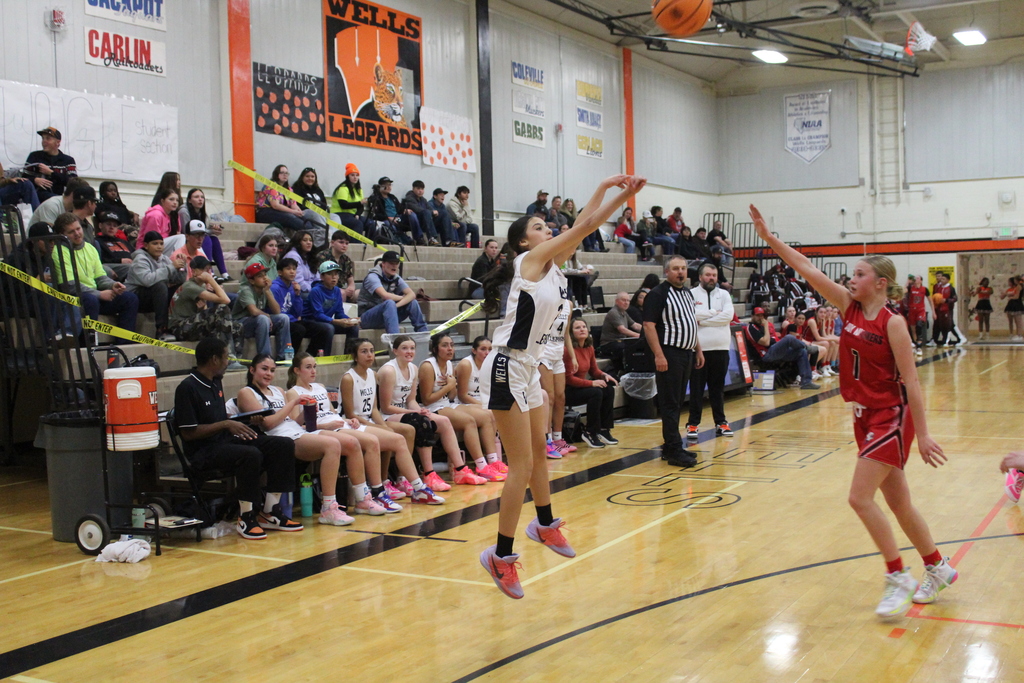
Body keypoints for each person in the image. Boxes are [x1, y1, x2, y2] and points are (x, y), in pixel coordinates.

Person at [750, 204, 956, 618]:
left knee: (859, 498)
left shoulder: (893, 323)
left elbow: (912, 382)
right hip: (862, 415)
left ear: (880, 283)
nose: (851, 279)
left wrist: (924, 433)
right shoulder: (848, 306)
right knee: (899, 503)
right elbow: (807, 268)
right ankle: (938, 567)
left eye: (859, 274)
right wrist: (770, 239)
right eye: (852, 274)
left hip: (890, 416)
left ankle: (897, 575)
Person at [477, 173, 645, 599]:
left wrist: (607, 190)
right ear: (523, 242)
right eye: (539, 226)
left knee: (539, 454)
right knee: (520, 465)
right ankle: (500, 556)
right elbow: (586, 224)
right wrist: (620, 194)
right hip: (506, 366)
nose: (547, 229)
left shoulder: (553, 268)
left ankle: (544, 524)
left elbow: (583, 226)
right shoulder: (529, 262)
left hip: (529, 368)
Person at [173, 338, 301, 539]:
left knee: (282, 444)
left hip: (224, 441)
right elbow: (189, 433)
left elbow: (219, 419)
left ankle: (269, 512)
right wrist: (225, 424)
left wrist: (244, 420)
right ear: (214, 359)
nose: (228, 362)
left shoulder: (216, 381)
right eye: (226, 357)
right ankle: (246, 517)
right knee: (250, 454)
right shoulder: (187, 388)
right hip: (202, 451)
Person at [236, 354, 371, 525]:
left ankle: (363, 498)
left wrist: (307, 410)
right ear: (252, 370)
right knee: (332, 445)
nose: (269, 374)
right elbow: (268, 423)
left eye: (272, 370)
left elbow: (292, 421)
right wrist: (293, 403)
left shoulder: (278, 391)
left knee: (350, 442)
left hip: (296, 430)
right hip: (278, 439)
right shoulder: (246, 392)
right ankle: (328, 507)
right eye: (264, 369)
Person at [289, 352, 430, 513]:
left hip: (340, 424)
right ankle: (377, 492)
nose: (313, 371)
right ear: (297, 370)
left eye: (314, 367)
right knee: (371, 441)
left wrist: (349, 420)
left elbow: (332, 413)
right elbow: (296, 426)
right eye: (308, 367)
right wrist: (326, 426)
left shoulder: (320, 387)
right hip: (325, 430)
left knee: (397, 439)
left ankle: (419, 488)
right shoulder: (293, 393)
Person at [378, 335, 476, 493]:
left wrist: (418, 409)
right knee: (421, 422)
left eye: (412, 348)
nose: (409, 351)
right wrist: (414, 412)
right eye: (404, 348)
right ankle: (428, 474)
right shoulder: (389, 371)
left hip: (405, 411)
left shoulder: (413, 368)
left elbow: (411, 400)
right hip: (387, 415)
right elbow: (386, 407)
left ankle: (460, 470)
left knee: (443, 421)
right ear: (395, 351)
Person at [643, 256, 704, 468]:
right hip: (669, 353)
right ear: (667, 272)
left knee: (677, 402)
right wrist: (659, 355)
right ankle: (674, 448)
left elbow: (690, 322)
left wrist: (698, 349)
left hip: (686, 353)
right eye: (676, 268)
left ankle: (670, 447)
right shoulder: (658, 294)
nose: (681, 272)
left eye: (683, 268)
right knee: (670, 403)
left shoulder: (687, 293)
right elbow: (648, 326)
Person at [420, 332, 506, 481]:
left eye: (452, 345)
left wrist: (452, 385)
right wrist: (449, 386)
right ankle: (481, 466)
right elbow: (427, 400)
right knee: (469, 421)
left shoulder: (449, 364)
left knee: (488, 415)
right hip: (432, 408)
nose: (450, 349)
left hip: (448, 403)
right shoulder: (428, 366)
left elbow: (452, 396)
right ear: (435, 349)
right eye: (445, 345)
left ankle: (493, 461)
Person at [52, 213, 139, 339]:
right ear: (62, 235)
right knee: (91, 300)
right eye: (71, 232)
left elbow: (100, 277)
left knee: (130, 299)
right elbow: (69, 286)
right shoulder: (58, 251)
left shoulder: (90, 248)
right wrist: (99, 294)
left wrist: (112, 285)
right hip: (75, 298)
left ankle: (124, 343)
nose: (77, 233)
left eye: (78, 229)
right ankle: (87, 343)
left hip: (93, 295)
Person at [686, 262, 735, 440]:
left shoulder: (724, 294)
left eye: (714, 275)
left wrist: (703, 319)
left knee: (717, 389)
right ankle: (693, 424)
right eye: (708, 275)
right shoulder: (690, 294)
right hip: (698, 350)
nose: (711, 278)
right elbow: (690, 316)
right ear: (700, 277)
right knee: (696, 390)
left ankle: (721, 422)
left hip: (721, 349)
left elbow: (728, 316)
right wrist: (715, 312)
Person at [169, 256, 244, 366]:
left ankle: (236, 360)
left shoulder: (201, 285)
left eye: (209, 270)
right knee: (222, 309)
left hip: (190, 324)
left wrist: (200, 309)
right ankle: (228, 359)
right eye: (205, 270)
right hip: (179, 328)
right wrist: (211, 280)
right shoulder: (190, 286)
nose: (208, 273)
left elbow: (204, 312)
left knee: (237, 326)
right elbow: (226, 300)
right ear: (194, 271)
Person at [565, 317, 619, 448]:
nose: (582, 329)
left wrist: (604, 375)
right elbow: (568, 378)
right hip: (568, 390)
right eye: (577, 328)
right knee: (596, 392)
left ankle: (604, 429)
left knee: (608, 389)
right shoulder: (568, 351)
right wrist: (591, 383)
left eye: (584, 327)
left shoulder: (588, 347)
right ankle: (590, 432)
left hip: (581, 387)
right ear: (571, 333)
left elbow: (594, 370)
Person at [126, 231, 187, 341]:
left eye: (161, 244)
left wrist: (182, 266)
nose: (159, 247)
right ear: (146, 245)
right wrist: (171, 267)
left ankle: (179, 326)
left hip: (154, 296)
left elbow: (178, 280)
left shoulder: (164, 259)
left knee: (181, 288)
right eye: (155, 243)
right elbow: (148, 280)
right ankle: (161, 330)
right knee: (160, 286)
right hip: (136, 298)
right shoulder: (140, 260)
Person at [744, 307, 819, 389]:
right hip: (766, 354)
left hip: (775, 350)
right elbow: (766, 342)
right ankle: (806, 347)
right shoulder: (751, 328)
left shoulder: (761, 327)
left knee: (802, 352)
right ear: (752, 316)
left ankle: (806, 382)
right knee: (789, 337)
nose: (760, 318)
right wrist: (766, 326)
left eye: (762, 315)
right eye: (758, 315)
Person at [271, 257, 332, 357]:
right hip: (279, 322)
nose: (292, 272)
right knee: (299, 329)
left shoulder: (293, 287)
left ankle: (308, 356)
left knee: (323, 329)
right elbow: (277, 312)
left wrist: (297, 295)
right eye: (288, 269)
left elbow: (298, 313)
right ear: (280, 272)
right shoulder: (275, 287)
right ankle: (289, 358)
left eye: (294, 269)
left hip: (292, 319)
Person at [357, 250, 428, 333]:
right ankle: (395, 337)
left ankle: (423, 333)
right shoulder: (372, 277)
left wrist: (395, 306)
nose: (394, 266)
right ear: (383, 263)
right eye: (391, 263)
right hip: (366, 317)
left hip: (387, 314)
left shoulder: (396, 277)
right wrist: (401, 298)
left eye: (397, 263)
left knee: (412, 302)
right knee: (389, 302)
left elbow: (412, 295)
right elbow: (385, 296)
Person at [233, 262, 292, 360]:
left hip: (258, 322)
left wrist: (267, 291)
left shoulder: (265, 290)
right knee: (263, 318)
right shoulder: (245, 290)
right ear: (252, 281)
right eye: (260, 276)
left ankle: (284, 357)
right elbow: (253, 311)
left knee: (283, 318)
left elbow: (277, 311)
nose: (265, 278)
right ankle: (265, 358)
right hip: (240, 324)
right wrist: (267, 316)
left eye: (265, 275)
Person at [538, 298, 572, 458]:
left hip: (558, 355)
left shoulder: (568, 304)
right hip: (544, 354)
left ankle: (558, 438)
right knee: (549, 397)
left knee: (560, 397)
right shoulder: (544, 300)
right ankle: (547, 440)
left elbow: (566, 333)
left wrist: (572, 356)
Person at [304, 260, 360, 353]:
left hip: (326, 321)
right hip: (310, 322)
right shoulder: (315, 291)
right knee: (329, 328)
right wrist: (335, 321)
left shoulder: (337, 291)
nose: (334, 277)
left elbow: (339, 313)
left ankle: (350, 356)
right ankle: (326, 357)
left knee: (352, 327)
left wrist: (349, 320)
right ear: (322, 277)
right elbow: (317, 315)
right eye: (329, 274)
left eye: (336, 274)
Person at [179, 188, 229, 281]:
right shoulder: (183, 211)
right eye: (196, 197)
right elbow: (186, 230)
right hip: (186, 238)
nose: (200, 199)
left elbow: (205, 228)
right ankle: (210, 272)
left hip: (195, 237)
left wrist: (214, 229)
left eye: (202, 197)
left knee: (214, 239)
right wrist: (210, 231)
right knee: (206, 238)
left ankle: (224, 273)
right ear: (189, 200)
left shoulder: (202, 212)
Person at [22, 127, 77, 201]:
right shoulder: (34, 156)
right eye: (43, 138)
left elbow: (73, 183)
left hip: (58, 198)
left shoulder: (68, 160)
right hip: (37, 198)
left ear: (58, 142)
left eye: (48, 138)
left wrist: (51, 173)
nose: (44, 141)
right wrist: (35, 180)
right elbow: (24, 178)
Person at [289, 167, 336, 247]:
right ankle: (328, 236)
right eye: (307, 176)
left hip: (320, 213)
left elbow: (324, 204)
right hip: (305, 212)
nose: (310, 178)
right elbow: (297, 204)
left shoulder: (318, 190)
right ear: (302, 177)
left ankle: (335, 237)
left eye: (312, 176)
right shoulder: (297, 188)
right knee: (314, 212)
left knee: (335, 216)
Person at [368, 176, 421, 244]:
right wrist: (389, 218)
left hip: (397, 218)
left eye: (390, 185)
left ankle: (419, 238)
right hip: (386, 220)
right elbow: (376, 215)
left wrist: (405, 210)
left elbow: (400, 208)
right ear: (381, 186)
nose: (389, 187)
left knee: (412, 215)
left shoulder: (392, 197)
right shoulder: (376, 198)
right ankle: (406, 240)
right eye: (386, 185)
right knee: (389, 224)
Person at [598, 292, 641, 375]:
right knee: (627, 347)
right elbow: (622, 329)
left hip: (620, 342)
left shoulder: (624, 313)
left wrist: (647, 330)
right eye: (624, 300)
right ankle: (622, 371)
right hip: (609, 344)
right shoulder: (613, 312)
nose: (626, 303)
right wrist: (639, 335)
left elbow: (635, 325)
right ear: (617, 301)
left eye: (628, 300)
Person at [255, 165, 305, 235]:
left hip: (280, 212)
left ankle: (312, 232)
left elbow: (293, 204)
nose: (285, 175)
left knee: (305, 217)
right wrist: (293, 212)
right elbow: (275, 205)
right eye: (282, 173)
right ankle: (309, 232)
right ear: (276, 174)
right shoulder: (272, 185)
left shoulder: (289, 189)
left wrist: (299, 212)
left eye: (286, 173)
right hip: (265, 212)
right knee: (290, 218)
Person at [94, 211, 135, 281]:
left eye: (115, 226)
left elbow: (135, 253)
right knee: (132, 268)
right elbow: (98, 261)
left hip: (131, 267)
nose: (111, 227)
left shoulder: (124, 242)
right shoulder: (97, 242)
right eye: (108, 224)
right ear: (100, 225)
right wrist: (120, 261)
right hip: (112, 267)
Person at [329, 163, 367, 235]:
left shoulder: (359, 190)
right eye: (352, 175)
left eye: (357, 175)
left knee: (370, 223)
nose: (355, 177)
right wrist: (359, 203)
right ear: (347, 176)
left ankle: (369, 242)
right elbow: (343, 205)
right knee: (358, 224)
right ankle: (355, 242)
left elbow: (361, 207)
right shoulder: (343, 188)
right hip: (339, 214)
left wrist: (357, 214)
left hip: (352, 215)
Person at [282, 230, 319, 297]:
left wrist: (320, 288)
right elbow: (298, 280)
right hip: (298, 291)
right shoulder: (293, 256)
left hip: (312, 290)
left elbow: (317, 278)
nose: (309, 242)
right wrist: (315, 291)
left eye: (310, 240)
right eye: (305, 240)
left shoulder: (308, 256)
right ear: (298, 242)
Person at [404, 180, 441, 245]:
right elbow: (417, 209)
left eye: (422, 189)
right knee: (426, 212)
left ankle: (449, 240)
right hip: (414, 220)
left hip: (424, 220)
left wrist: (432, 211)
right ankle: (431, 238)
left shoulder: (423, 199)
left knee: (443, 214)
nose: (420, 191)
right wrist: (431, 212)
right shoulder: (409, 198)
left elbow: (430, 208)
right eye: (418, 189)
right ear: (413, 189)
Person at [326, 230, 357, 302]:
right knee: (342, 293)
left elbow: (350, 278)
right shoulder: (323, 257)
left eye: (347, 243)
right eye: (341, 242)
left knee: (358, 293)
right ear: (332, 243)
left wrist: (351, 288)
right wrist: (344, 291)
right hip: (326, 288)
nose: (344, 245)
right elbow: (322, 279)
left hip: (342, 289)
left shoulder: (346, 259)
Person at [906, 275, 929, 354]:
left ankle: (919, 345)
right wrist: (908, 282)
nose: (916, 279)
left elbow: (930, 300)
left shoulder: (925, 289)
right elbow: (903, 291)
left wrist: (933, 311)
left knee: (919, 325)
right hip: (912, 310)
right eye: (915, 278)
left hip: (920, 310)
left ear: (921, 281)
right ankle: (917, 345)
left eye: (918, 278)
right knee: (913, 329)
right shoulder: (910, 288)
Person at [999, 276, 1023, 340]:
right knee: (1010, 321)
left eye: (1009, 282)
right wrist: (1004, 293)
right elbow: (1002, 297)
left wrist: (1010, 296)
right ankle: (1011, 334)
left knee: (1018, 321)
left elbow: (1017, 296)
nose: (1008, 283)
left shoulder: (1018, 287)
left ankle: (1019, 334)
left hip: (1017, 305)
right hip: (1010, 306)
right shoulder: (1009, 289)